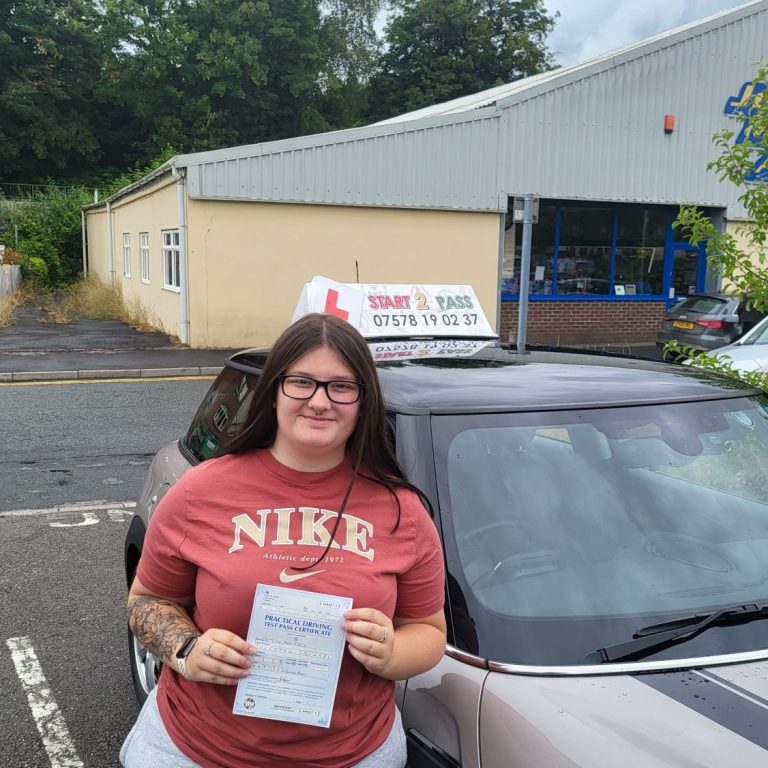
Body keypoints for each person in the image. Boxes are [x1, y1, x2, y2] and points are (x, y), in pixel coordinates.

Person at [120, 312, 447, 768]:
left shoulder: (402, 511)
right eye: (301, 382)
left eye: (342, 386)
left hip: (353, 754)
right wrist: (189, 650)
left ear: (363, 401)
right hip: (197, 749)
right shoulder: (201, 491)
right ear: (274, 391)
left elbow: (429, 632)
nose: (319, 401)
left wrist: (392, 652)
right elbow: (146, 601)